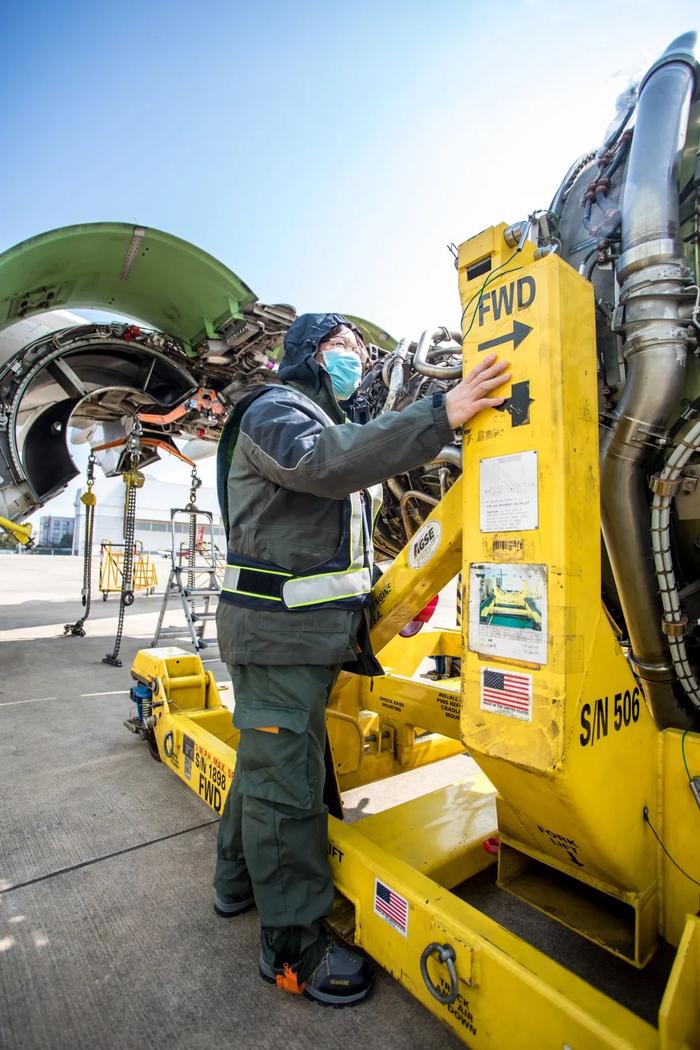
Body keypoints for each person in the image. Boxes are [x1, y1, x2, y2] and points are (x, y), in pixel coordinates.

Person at [213, 312, 509, 1005]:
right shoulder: (276, 410)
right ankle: (292, 946)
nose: (359, 359)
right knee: (288, 788)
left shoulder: (312, 419)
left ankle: (234, 884)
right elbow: (323, 465)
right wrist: (443, 413)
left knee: (272, 765)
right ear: (313, 353)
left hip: (296, 643)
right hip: (275, 641)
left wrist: (383, 603)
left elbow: (319, 553)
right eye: (347, 348)